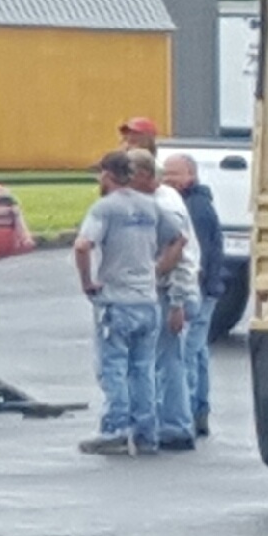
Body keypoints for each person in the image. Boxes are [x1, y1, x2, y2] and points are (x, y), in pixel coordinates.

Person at [73, 148, 183, 456]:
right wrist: (158, 268)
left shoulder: (104, 209)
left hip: (116, 300)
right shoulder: (151, 207)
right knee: (143, 367)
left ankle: (115, 428)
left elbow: (83, 246)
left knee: (113, 367)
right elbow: (178, 238)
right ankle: (147, 432)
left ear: (108, 175)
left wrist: (87, 282)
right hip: (147, 300)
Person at [132, 148, 202, 450]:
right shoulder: (159, 200)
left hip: (173, 292)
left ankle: (175, 426)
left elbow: (181, 256)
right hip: (173, 292)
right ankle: (172, 422)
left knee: (167, 360)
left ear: (146, 177)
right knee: (166, 359)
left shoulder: (163, 206)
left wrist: (176, 303)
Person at [163, 152, 228, 437]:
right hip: (209, 289)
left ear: (191, 175)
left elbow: (196, 256)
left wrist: (187, 294)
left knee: (186, 353)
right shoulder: (196, 202)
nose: (168, 180)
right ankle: (200, 411)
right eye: (165, 174)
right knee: (198, 352)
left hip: (199, 291)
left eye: (174, 174)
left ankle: (185, 415)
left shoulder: (195, 208)